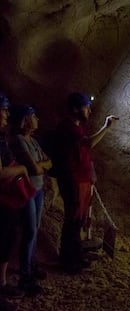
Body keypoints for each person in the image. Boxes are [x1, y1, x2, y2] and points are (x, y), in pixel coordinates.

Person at [51, 92, 117, 274]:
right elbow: (88, 144)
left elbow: (83, 153)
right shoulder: (68, 127)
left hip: (81, 180)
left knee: (78, 220)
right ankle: (68, 261)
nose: (89, 110)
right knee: (72, 221)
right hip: (73, 180)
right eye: (86, 107)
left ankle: (75, 255)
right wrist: (106, 127)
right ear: (75, 109)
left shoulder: (76, 127)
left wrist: (91, 172)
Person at [9, 105, 52, 296]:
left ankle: (31, 265)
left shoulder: (32, 141)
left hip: (38, 189)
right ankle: (25, 276)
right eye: (34, 116)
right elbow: (35, 169)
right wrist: (40, 166)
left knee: (34, 229)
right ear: (25, 120)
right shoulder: (19, 141)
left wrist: (40, 166)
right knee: (30, 231)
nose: (37, 119)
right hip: (27, 191)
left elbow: (49, 163)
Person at [0, 93, 26, 304]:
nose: (7, 114)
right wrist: (22, 168)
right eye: (4, 109)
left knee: (7, 239)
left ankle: (1, 283)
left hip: (5, 200)